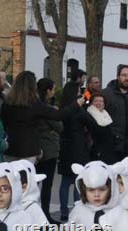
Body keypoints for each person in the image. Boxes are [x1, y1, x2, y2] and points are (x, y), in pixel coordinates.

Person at [0, 70, 82, 163]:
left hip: (11, 146)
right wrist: (76, 104)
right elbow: (58, 115)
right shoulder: (34, 103)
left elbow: (3, 121)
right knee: (27, 175)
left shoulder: (7, 102)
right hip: (30, 148)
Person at [58, 81, 90, 220]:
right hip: (77, 146)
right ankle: (77, 208)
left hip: (65, 146)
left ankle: (64, 211)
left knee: (65, 182)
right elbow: (87, 120)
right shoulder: (77, 109)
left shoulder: (63, 107)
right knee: (78, 180)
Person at [34, 78, 64, 221]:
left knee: (34, 184)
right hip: (49, 149)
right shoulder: (46, 108)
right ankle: (45, 214)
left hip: (36, 148)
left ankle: (34, 214)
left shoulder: (34, 105)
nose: (53, 92)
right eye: (52, 89)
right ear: (48, 90)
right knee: (47, 185)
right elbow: (59, 127)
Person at [102, 64, 128, 160]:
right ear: (118, 76)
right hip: (111, 144)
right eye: (124, 75)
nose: (126, 78)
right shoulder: (107, 93)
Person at [84, 92, 114, 162]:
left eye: (101, 101)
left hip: (107, 151)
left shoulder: (105, 114)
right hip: (95, 151)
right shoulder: (88, 115)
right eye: (96, 101)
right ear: (91, 103)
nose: (98, 103)